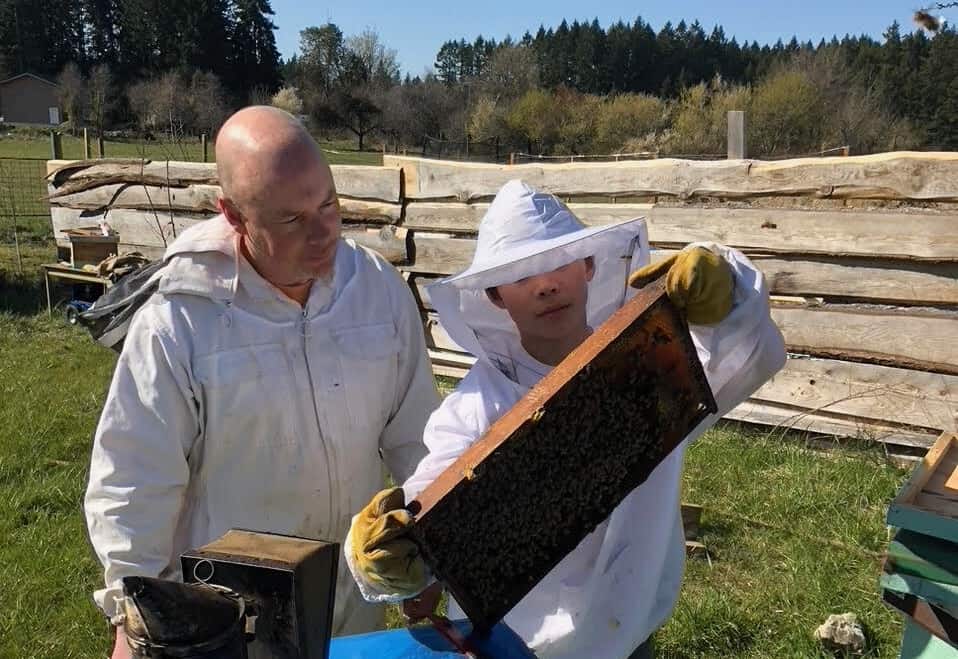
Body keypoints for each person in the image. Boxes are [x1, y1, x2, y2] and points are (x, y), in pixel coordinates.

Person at [345, 179, 787, 658]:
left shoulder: (649, 363)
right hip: (510, 646)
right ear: (495, 296)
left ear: (589, 266)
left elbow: (747, 349)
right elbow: (434, 493)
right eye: (520, 276)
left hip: (630, 634)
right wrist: (380, 550)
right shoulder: (477, 404)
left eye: (559, 263)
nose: (546, 284)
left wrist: (725, 283)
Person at [83, 106, 439, 658]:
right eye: (292, 220)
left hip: (352, 602)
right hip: (230, 618)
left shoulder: (377, 291)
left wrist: (431, 551)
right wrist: (132, 614)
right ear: (232, 214)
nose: (324, 233)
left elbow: (418, 437)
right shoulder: (181, 320)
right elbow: (135, 476)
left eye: (329, 204)